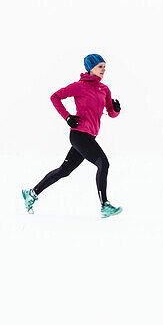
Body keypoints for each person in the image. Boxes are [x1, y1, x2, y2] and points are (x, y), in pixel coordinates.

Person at [22, 53, 123, 218]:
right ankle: (105, 205)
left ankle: (32, 193)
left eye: (104, 67)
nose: (103, 70)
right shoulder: (79, 86)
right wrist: (67, 117)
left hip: (89, 137)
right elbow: (55, 97)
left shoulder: (104, 89)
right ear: (90, 68)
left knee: (64, 170)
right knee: (103, 163)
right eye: (100, 66)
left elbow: (111, 113)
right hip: (79, 135)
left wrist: (117, 110)